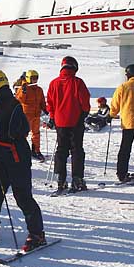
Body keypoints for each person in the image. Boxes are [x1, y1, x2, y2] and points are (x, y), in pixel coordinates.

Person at [0, 70, 47, 252]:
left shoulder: (14, 105)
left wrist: (4, 141)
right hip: (2, 156)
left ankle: (37, 233)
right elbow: (1, 132)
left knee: (22, 195)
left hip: (17, 157)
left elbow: (22, 131)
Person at [46, 55, 90, 192]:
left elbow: (50, 103)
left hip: (60, 121)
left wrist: (53, 117)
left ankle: (61, 179)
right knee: (77, 150)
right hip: (75, 120)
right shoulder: (78, 82)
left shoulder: (54, 83)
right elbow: (85, 102)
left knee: (61, 150)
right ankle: (77, 179)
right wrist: (83, 114)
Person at [15, 70, 47, 160]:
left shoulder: (39, 89)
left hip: (36, 115)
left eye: (36, 78)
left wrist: (45, 109)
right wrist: (23, 92)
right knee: (24, 133)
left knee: (36, 134)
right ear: (28, 78)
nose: (35, 80)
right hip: (26, 115)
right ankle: (21, 150)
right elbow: (19, 100)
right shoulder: (23, 88)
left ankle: (36, 151)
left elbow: (42, 101)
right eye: (33, 78)